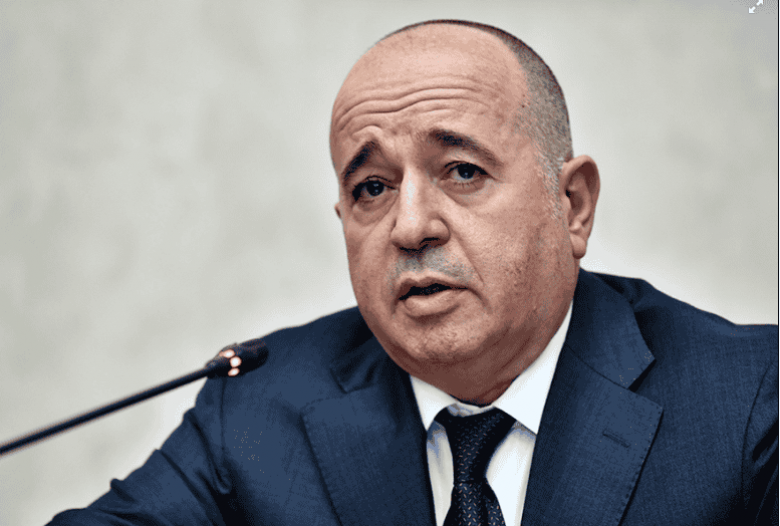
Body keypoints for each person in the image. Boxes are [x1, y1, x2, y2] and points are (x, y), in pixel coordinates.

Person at [49, 20, 777, 526]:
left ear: (572, 205)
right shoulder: (257, 408)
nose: (410, 226)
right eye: (372, 188)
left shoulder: (748, 400)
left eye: (461, 171)